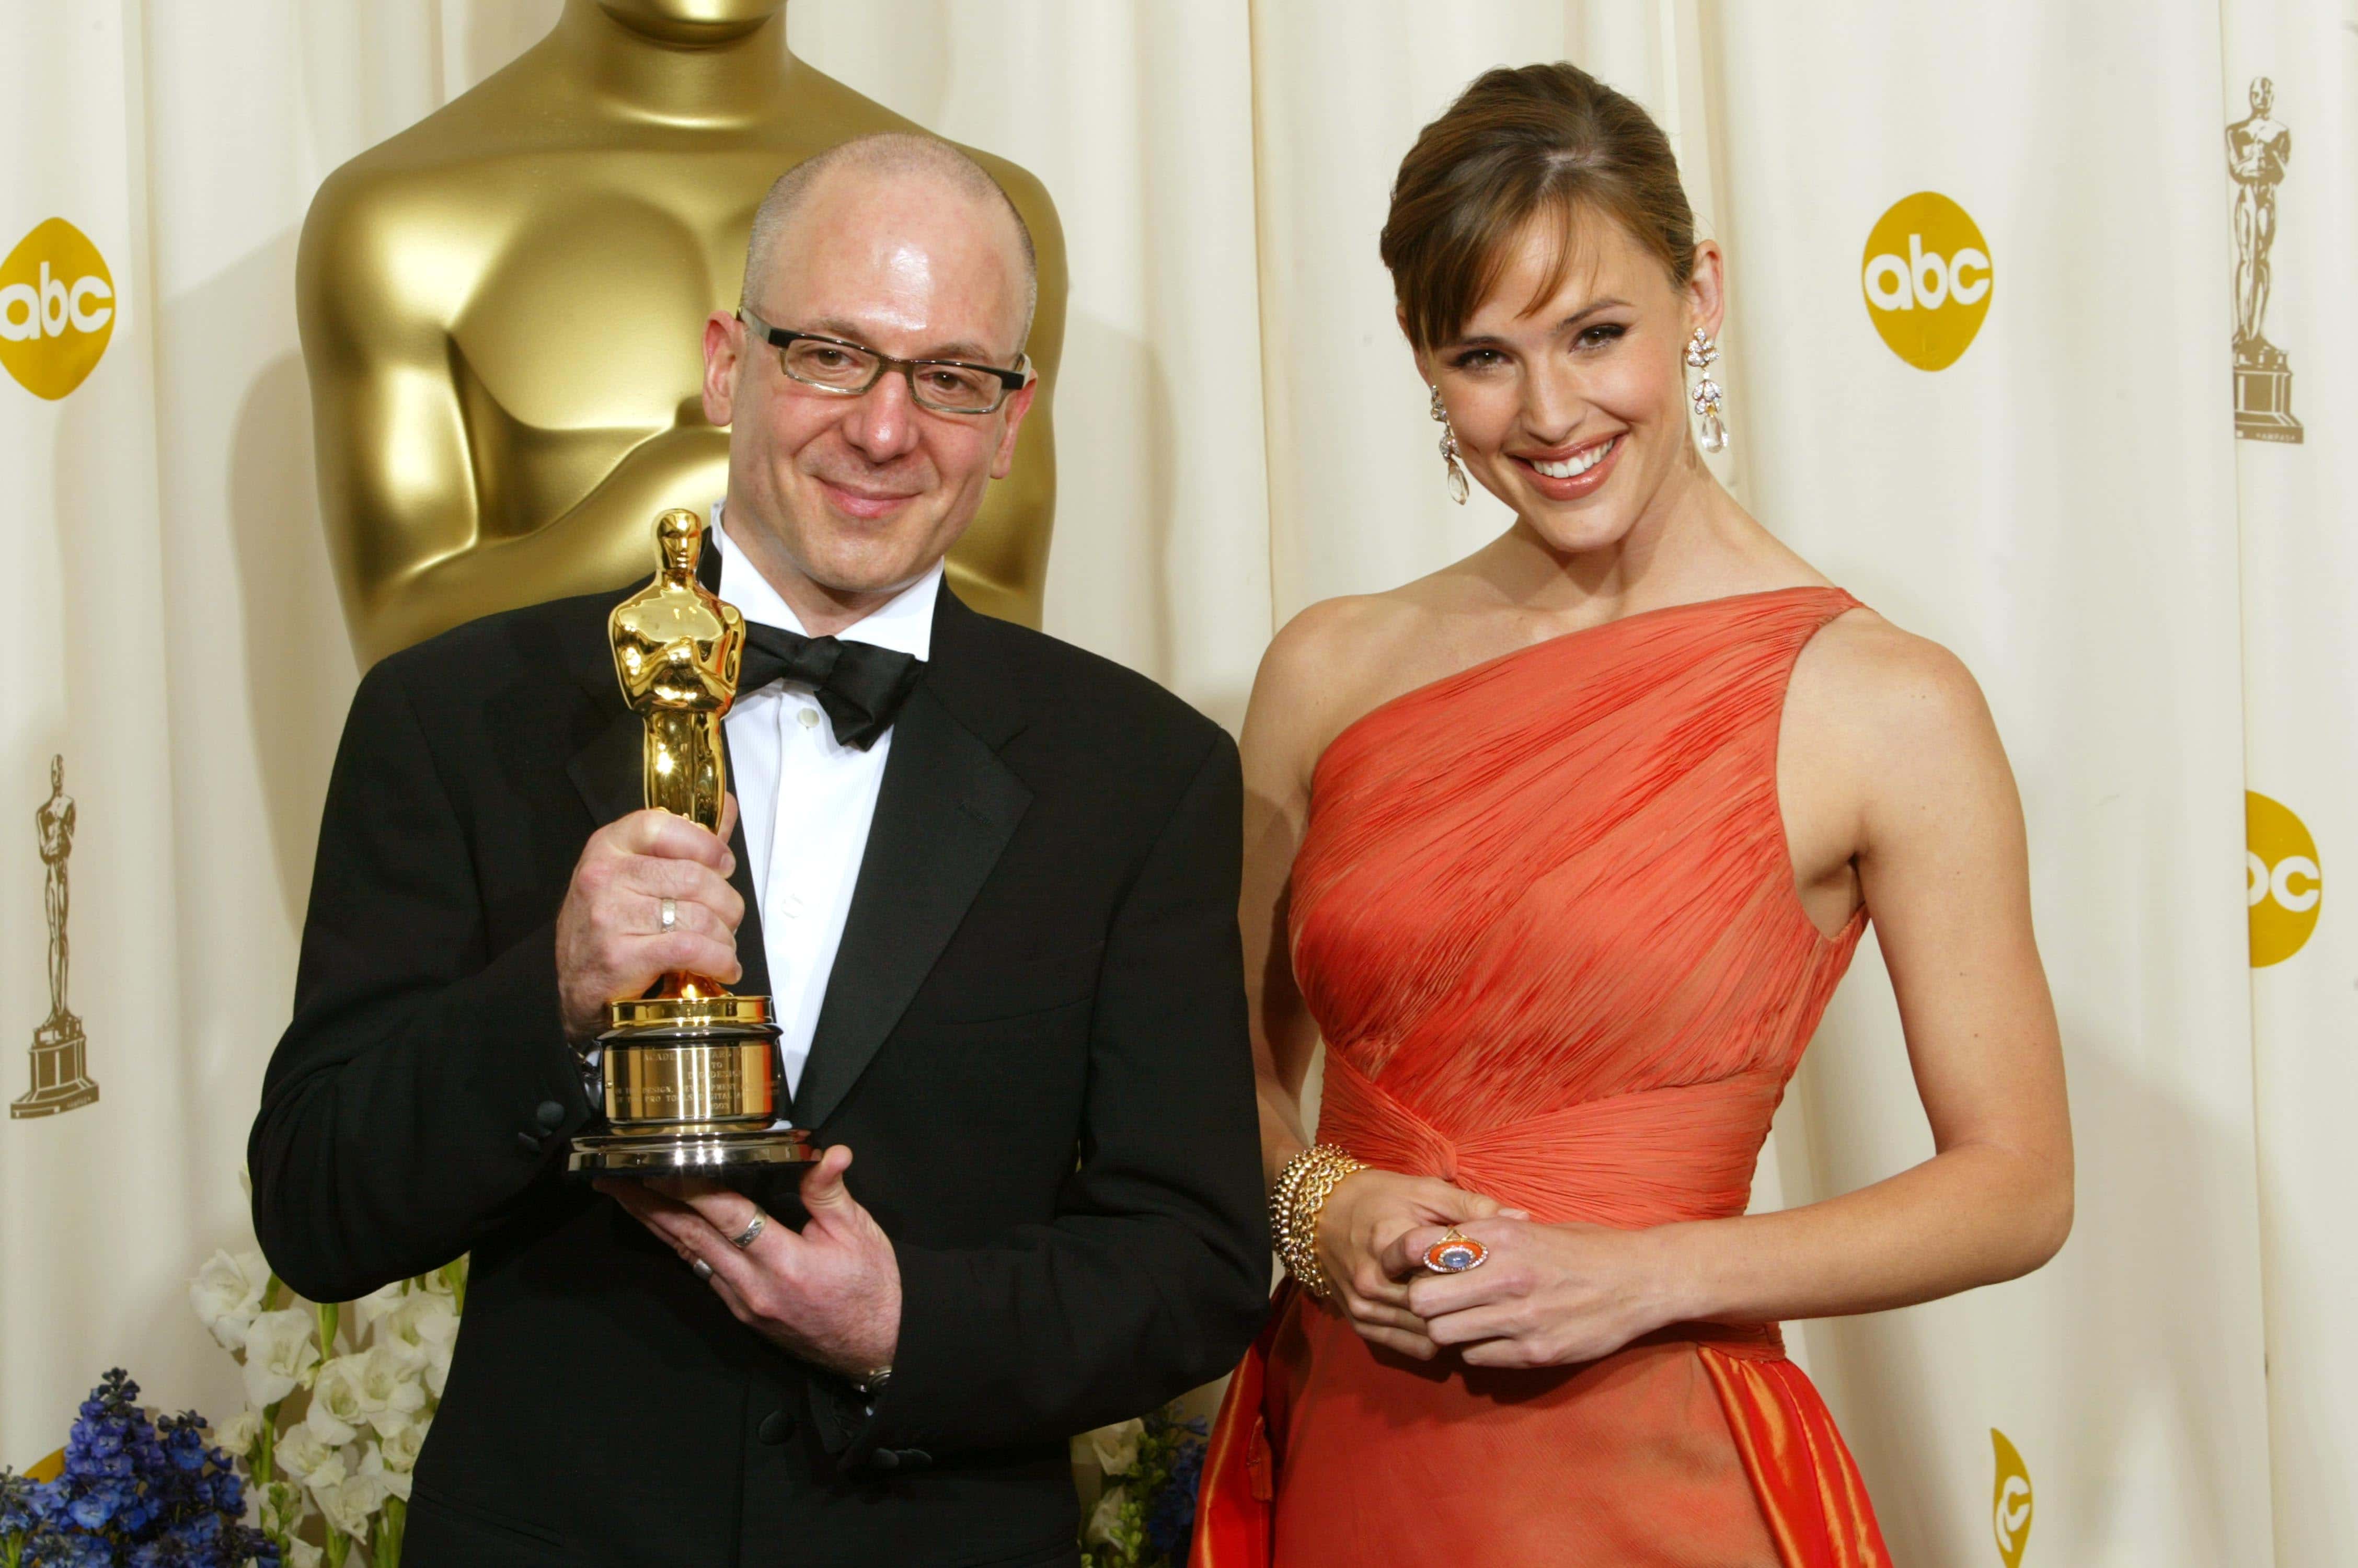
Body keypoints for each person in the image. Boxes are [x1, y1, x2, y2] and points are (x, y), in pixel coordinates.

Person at [252, 132, 1268, 1568]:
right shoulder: (456, 715)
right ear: (729, 365)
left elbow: (1195, 1262)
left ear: (1011, 421)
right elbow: (317, 1207)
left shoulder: (1141, 777)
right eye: (833, 356)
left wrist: (908, 1324)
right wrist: (552, 993)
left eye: (951, 377)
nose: (885, 430)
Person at [1194, 64, 2072, 1567]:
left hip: (1658, 1470)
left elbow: (2017, 1186)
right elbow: (1215, 1064)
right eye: (1485, 356)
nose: (1550, 414)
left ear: (1699, 294)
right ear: (1420, 353)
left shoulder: (1884, 703)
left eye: (1597, 333)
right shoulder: (1328, 668)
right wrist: (1316, 1211)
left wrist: (1644, 1276)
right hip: (1346, 1443)